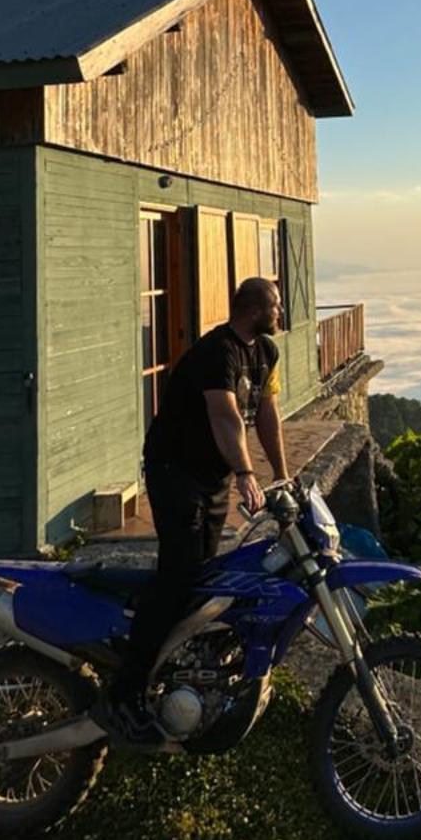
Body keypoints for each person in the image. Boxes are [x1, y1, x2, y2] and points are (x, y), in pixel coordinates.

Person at [94, 274, 288, 744]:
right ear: (252, 308)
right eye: (275, 305)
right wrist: (245, 472)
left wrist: (282, 475)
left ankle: (173, 668)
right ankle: (124, 693)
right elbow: (224, 416)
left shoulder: (265, 354)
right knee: (179, 571)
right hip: (174, 470)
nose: (281, 313)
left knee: (204, 575)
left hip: (212, 477)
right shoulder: (215, 352)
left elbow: (264, 413)